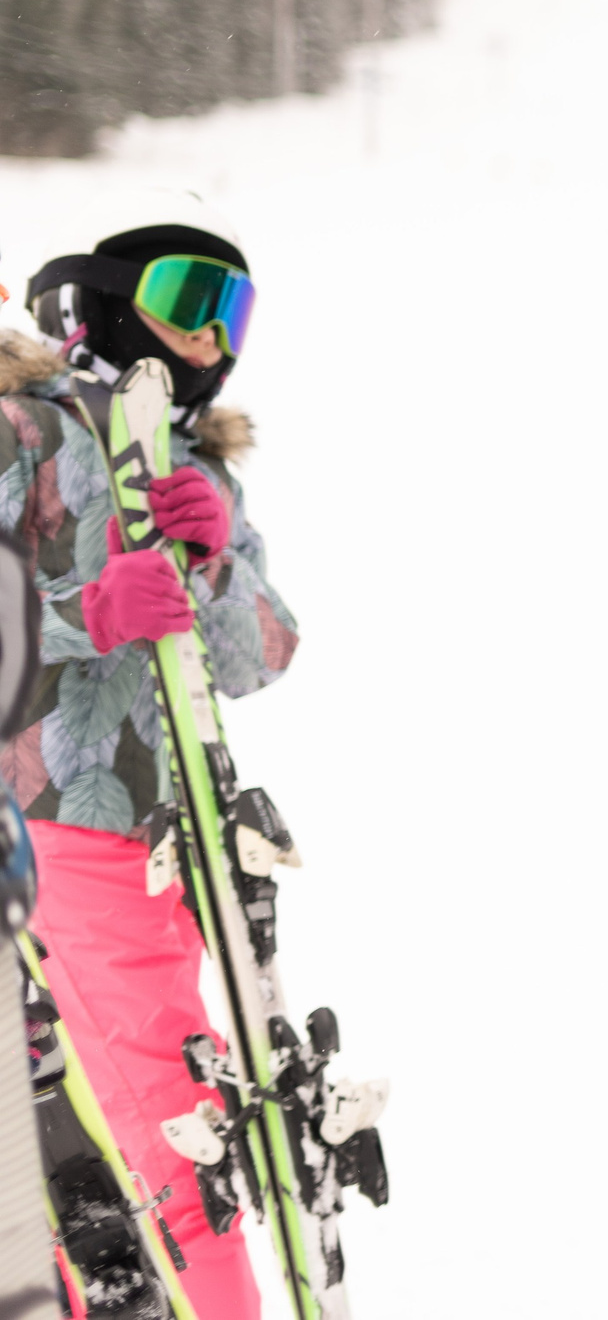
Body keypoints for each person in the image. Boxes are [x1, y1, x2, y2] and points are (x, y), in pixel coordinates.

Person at [1, 188, 297, 1320]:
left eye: (236, 310)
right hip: (53, 818)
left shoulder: (202, 473)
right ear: (108, 304)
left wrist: (215, 561)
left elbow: (259, 657)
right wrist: (83, 608)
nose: (214, 335)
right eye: (188, 300)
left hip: (168, 838)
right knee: (158, 1104)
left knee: (134, 1106)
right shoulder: (27, 432)